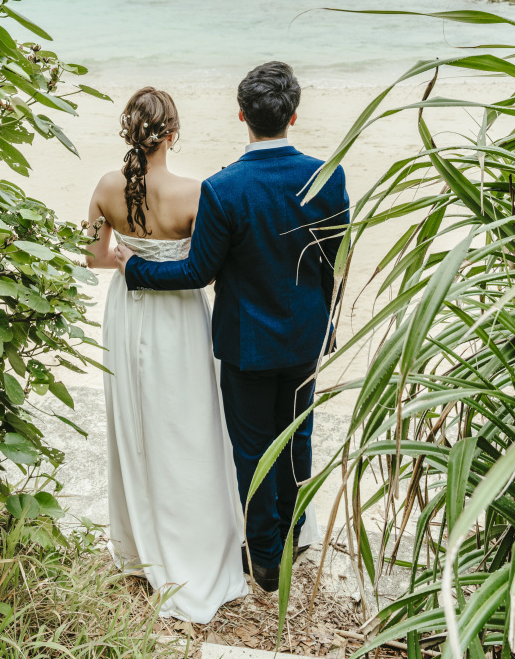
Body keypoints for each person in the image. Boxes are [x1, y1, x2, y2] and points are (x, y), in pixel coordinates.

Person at [115, 61, 349, 593]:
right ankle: (294, 536)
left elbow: (197, 272)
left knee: (253, 448)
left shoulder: (224, 189)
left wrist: (135, 268)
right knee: (298, 438)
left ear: (241, 114)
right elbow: (334, 264)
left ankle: (265, 558)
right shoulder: (327, 176)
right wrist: (324, 324)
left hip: (245, 343)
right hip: (305, 338)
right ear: (294, 114)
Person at [85, 87, 247, 624]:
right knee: (188, 426)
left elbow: (95, 258)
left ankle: (138, 548)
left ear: (128, 132)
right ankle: (195, 543)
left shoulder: (107, 188)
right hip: (180, 316)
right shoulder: (195, 193)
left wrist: (130, 255)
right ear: (172, 135)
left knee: (134, 424)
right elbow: (207, 265)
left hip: (126, 313)